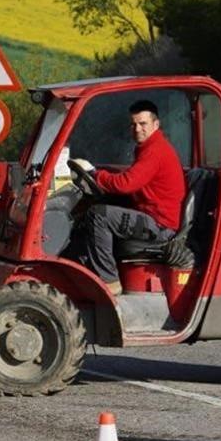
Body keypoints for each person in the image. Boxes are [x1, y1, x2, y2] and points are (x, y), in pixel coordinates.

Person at [68, 100, 186, 295]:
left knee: (99, 215)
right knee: (100, 205)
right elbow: (133, 182)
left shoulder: (155, 151)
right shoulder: (148, 148)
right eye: (133, 124)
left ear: (156, 125)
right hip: (151, 215)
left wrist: (96, 173)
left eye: (143, 123)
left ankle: (108, 282)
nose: (137, 129)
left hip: (159, 225)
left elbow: (126, 183)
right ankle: (84, 266)